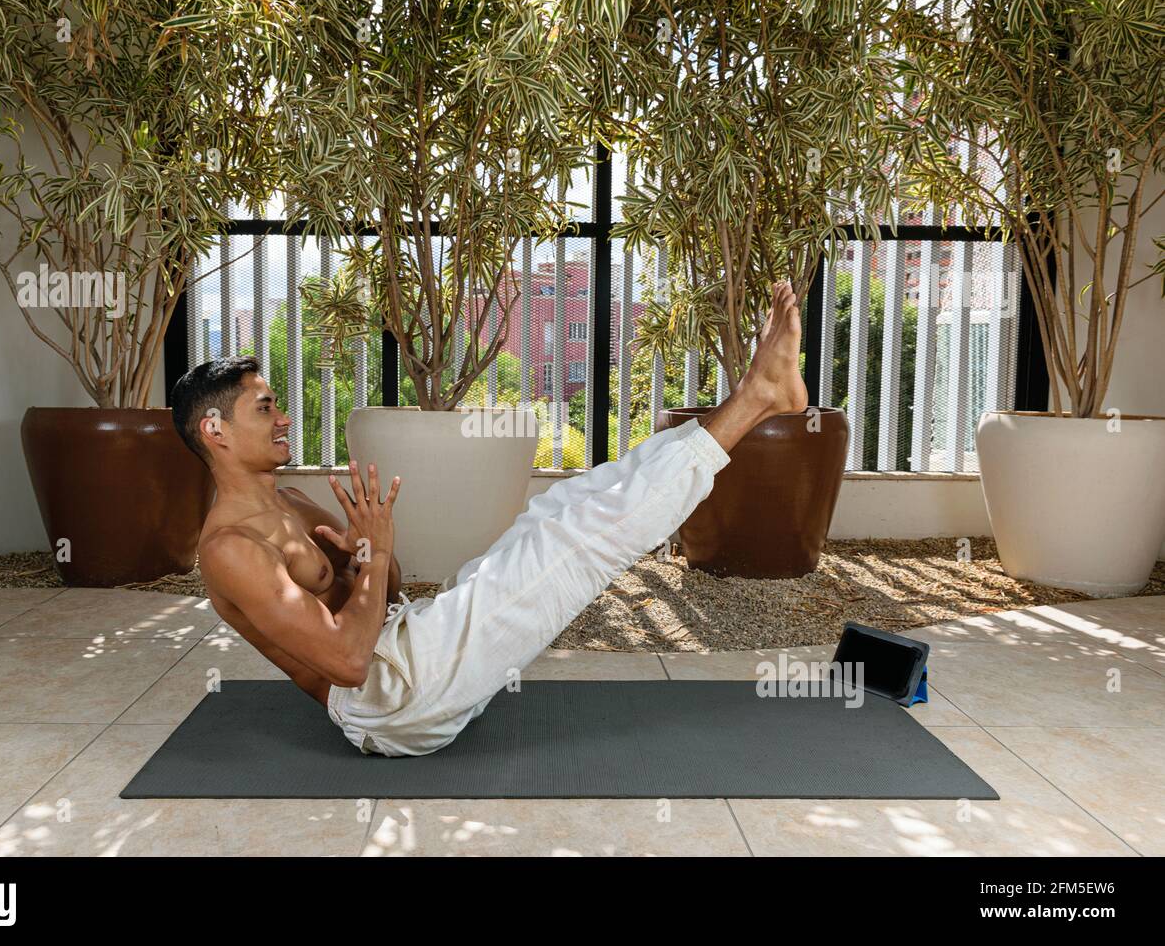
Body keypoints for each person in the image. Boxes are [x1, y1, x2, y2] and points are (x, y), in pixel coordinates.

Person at [171, 281, 808, 756]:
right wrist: (379, 550)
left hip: (408, 646)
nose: (283, 418)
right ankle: (758, 397)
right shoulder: (229, 549)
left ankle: (753, 399)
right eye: (265, 408)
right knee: (575, 542)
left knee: (553, 513)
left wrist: (370, 556)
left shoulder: (291, 504)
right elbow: (346, 662)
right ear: (215, 431)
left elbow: (378, 597)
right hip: (390, 703)